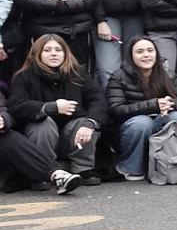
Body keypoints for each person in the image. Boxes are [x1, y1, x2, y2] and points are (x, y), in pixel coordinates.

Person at [9, 33, 107, 184]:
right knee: (43, 125)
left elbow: (98, 100)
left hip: (71, 136)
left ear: (65, 53)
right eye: (47, 50)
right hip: (39, 138)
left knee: (85, 123)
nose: (54, 53)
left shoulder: (78, 73)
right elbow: (16, 106)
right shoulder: (23, 76)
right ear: (37, 53)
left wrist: (90, 123)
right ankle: (41, 172)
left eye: (58, 49)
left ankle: (83, 169)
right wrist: (50, 107)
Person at [105, 35, 177, 181]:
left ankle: (175, 164)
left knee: (176, 117)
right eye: (140, 52)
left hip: (159, 120)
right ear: (131, 56)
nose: (146, 55)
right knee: (142, 122)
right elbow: (115, 110)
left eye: (150, 50)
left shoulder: (168, 74)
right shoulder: (118, 77)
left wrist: (171, 104)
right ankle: (130, 168)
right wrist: (153, 105)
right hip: (129, 130)